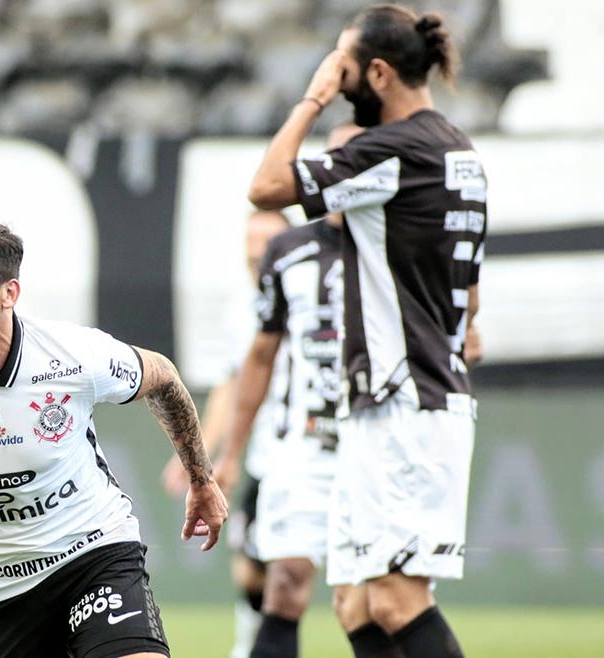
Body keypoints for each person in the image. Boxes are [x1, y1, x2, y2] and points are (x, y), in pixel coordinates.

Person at [0, 217, 228, 658]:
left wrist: (201, 479)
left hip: (91, 551)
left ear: (8, 293)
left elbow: (162, 377)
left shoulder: (71, 355)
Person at [247, 5, 486, 658]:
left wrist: (311, 98)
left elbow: (266, 187)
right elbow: (471, 308)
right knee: (355, 603)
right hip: (397, 399)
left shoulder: (395, 151)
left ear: (377, 73)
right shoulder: (458, 151)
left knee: (396, 599)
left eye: (345, 68)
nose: (338, 81)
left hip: (405, 399)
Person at [214, 123, 361, 658]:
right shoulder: (291, 252)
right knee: (280, 582)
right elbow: (253, 362)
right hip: (297, 449)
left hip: (378, 445)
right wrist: (229, 452)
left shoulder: (404, 247)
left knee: (375, 603)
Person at [160, 210, 292, 658]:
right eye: (251, 241)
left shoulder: (310, 298)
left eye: (268, 241)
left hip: (310, 453)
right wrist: (203, 454)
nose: (257, 251)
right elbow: (230, 385)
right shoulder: (240, 306)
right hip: (264, 456)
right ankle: (250, 642)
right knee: (252, 571)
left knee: (297, 573)